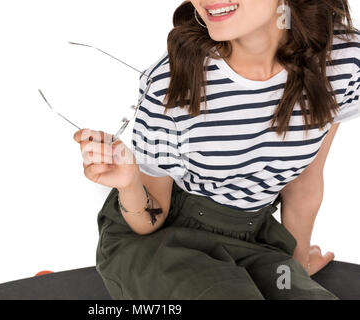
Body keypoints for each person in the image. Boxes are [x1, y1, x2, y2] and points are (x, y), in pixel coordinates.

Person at [73, 0, 359, 299]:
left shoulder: (340, 63)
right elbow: (150, 219)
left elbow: (303, 181)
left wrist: (296, 269)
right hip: (163, 243)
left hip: (255, 242)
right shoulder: (172, 83)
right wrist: (130, 182)